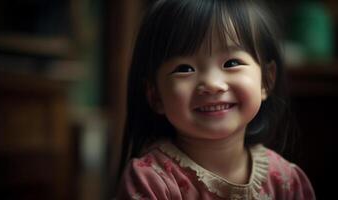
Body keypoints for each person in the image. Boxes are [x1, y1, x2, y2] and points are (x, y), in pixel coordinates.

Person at [116, 0, 316, 199]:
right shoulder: (150, 181)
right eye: (185, 68)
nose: (212, 84)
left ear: (266, 79)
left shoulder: (286, 182)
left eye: (231, 63)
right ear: (155, 95)